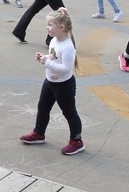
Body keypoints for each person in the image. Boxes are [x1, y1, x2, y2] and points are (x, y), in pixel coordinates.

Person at [20, 9, 85, 155]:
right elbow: (54, 58)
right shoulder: (54, 41)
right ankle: (39, 133)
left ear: (61, 27)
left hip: (64, 85)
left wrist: (46, 62)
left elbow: (66, 69)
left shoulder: (68, 47)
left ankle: (77, 141)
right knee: (42, 108)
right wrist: (45, 58)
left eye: (50, 25)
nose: (47, 27)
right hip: (49, 82)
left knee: (69, 113)